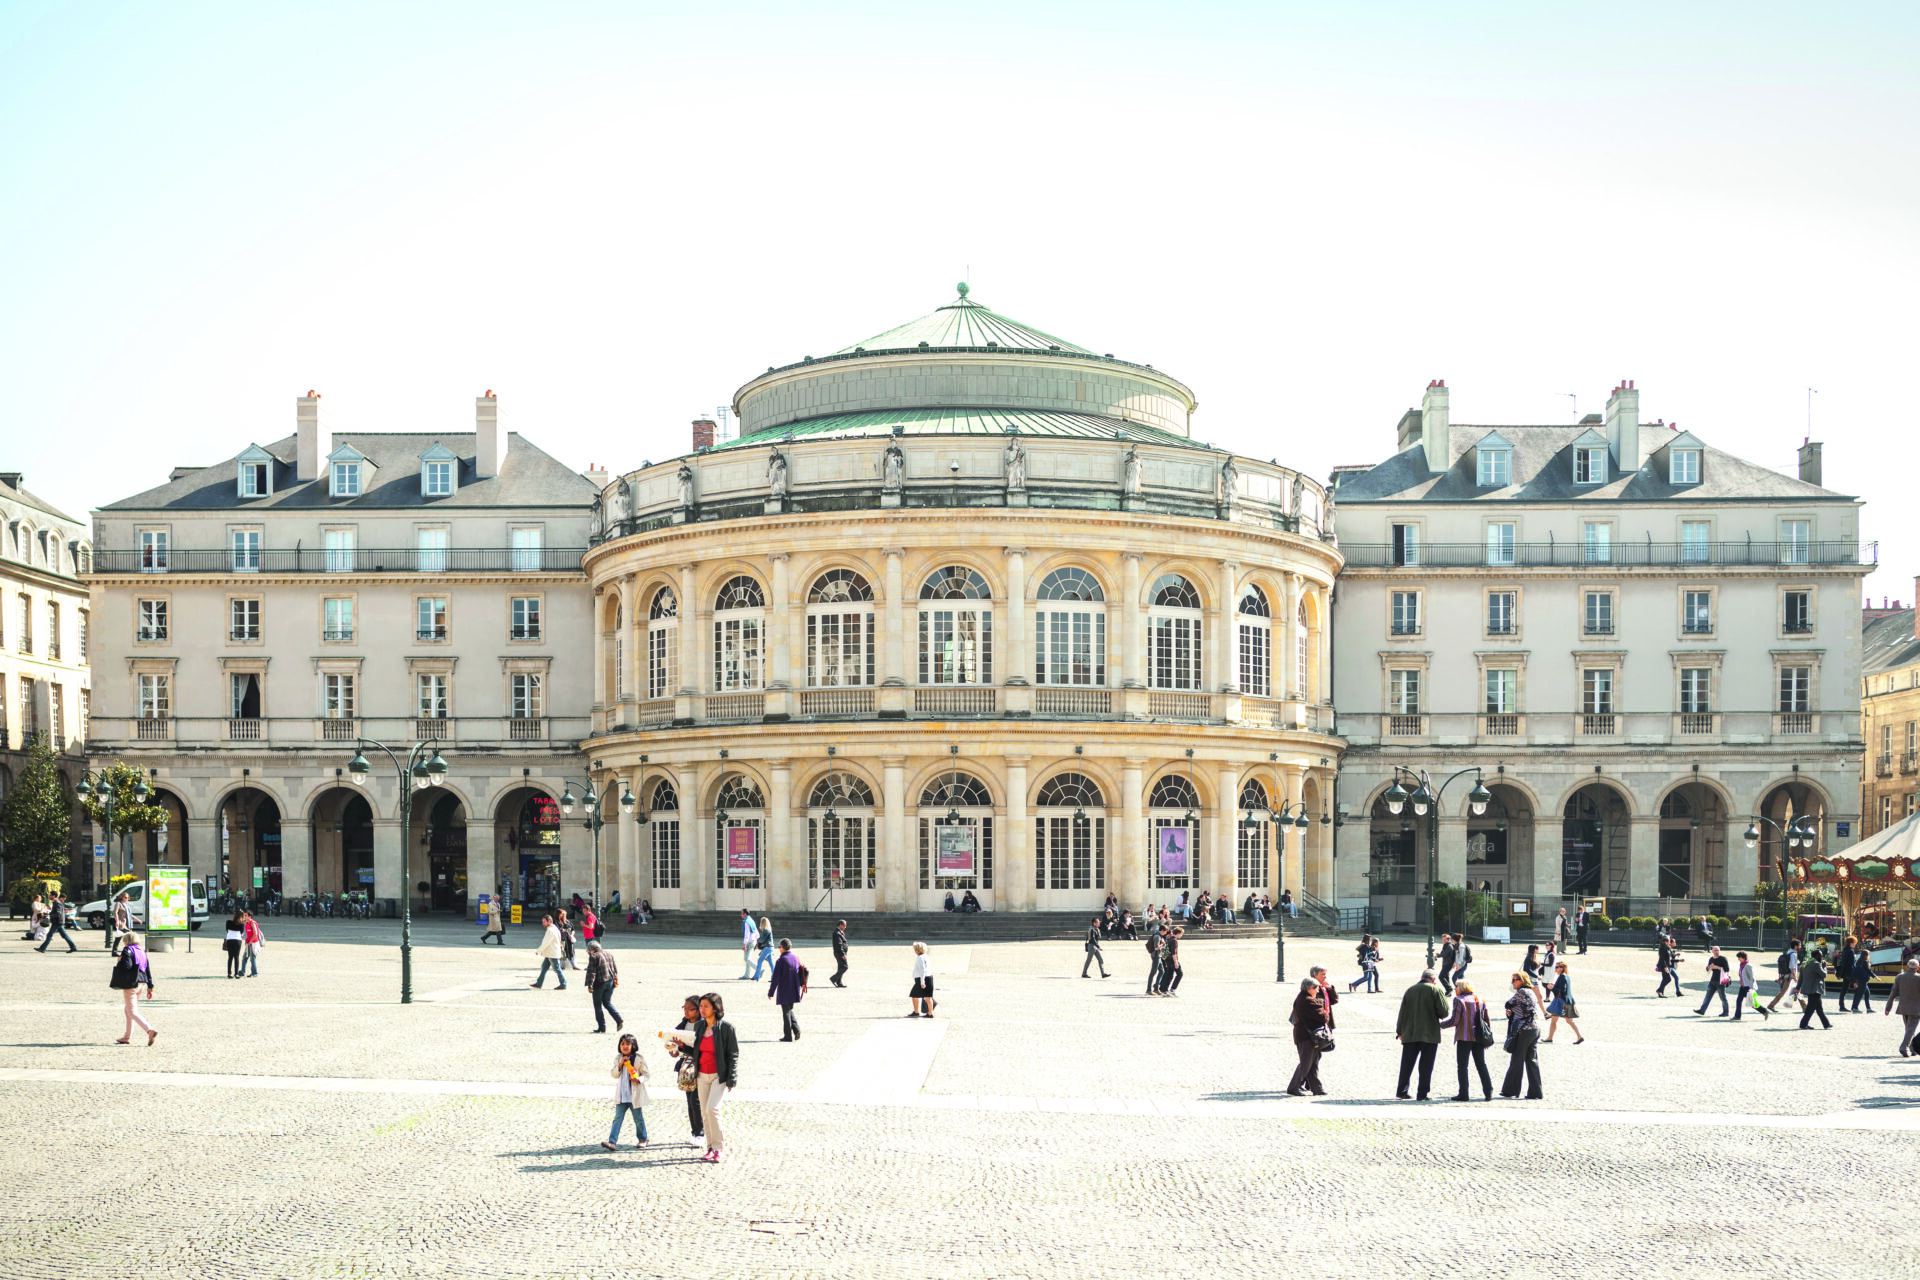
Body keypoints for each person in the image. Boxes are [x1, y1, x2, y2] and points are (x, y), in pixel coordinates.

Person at [691, 993, 736, 1163]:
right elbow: (695, 1051)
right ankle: (710, 1147)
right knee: (704, 1112)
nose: (702, 1009)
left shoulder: (726, 1028)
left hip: (719, 1075)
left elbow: (733, 1054)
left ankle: (718, 1148)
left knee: (712, 1109)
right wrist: (678, 1047)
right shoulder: (699, 1027)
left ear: (715, 1008)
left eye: (705, 1006)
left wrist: (732, 1078)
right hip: (702, 1075)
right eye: (701, 1006)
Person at [1394, 969, 1450, 1101]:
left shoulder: (1410, 990)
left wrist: (1399, 1031)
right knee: (1426, 1066)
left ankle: (1402, 1091)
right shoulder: (1436, 990)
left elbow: (1402, 1012)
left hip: (1410, 1033)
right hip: (1429, 1034)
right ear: (1434, 979)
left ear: (1421, 977)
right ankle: (1422, 1093)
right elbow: (1444, 1012)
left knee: (1406, 1064)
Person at [1439, 978, 1494, 1101]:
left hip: (1464, 1037)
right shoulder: (1480, 1000)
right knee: (1481, 1064)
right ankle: (1488, 1091)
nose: (1455, 989)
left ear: (1462, 988)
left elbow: (1455, 1020)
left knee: (1463, 1066)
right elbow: (1486, 1019)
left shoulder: (1459, 1000)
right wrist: (1487, 1038)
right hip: (1479, 1037)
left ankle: (1464, 1093)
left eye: (1456, 986)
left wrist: (1440, 1025)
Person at [664, 996, 705, 1147]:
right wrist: (673, 1050)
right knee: (689, 1099)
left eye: (690, 1009)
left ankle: (700, 1133)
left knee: (696, 1099)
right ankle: (695, 1132)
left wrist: (682, 1047)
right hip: (685, 1065)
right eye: (685, 1008)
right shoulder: (683, 1023)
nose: (686, 1011)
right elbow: (675, 1042)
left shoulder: (703, 1025)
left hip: (700, 1065)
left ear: (698, 1010)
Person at [1500, 971, 1544, 1099]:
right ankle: (1536, 1092)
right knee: (1532, 1060)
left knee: (1517, 1060)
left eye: (1514, 980)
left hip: (1524, 1030)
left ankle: (1511, 1090)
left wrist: (1511, 1010)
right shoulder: (1531, 992)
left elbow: (1508, 1004)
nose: (1512, 983)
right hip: (1534, 1028)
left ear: (1522, 980)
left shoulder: (1522, 992)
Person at [602, 1032, 649, 1151]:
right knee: (617, 1118)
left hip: (634, 1095)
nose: (625, 1046)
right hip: (622, 1095)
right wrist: (620, 1064)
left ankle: (643, 1139)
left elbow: (646, 1074)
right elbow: (614, 1074)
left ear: (633, 1045)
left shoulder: (638, 1059)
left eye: (628, 1044)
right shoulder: (618, 1058)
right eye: (622, 1044)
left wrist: (638, 1079)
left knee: (638, 1118)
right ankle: (612, 1141)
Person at [110, 932, 157, 1046]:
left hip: (131, 983)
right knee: (128, 1010)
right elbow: (147, 969)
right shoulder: (142, 951)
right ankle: (127, 1037)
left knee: (132, 1011)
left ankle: (149, 1030)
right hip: (142, 982)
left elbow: (127, 966)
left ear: (126, 941)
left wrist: (119, 961)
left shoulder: (127, 950)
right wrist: (150, 986)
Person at [1287, 976, 1329, 1096]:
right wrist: (1325, 1013)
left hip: (1308, 1036)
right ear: (1310, 988)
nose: (1318, 991)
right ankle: (1293, 1087)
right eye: (1316, 988)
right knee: (1305, 1062)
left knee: (1313, 1062)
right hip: (1306, 1037)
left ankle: (1316, 1088)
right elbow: (1323, 1017)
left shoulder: (1304, 998)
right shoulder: (1307, 1000)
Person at [768, 938, 805, 1041]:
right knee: (789, 1010)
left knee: (786, 1013)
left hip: (785, 989)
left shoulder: (781, 961)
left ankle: (788, 1036)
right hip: (794, 988)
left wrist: (771, 992)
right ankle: (796, 1030)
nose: (779, 948)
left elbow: (775, 979)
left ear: (783, 948)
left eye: (779, 947)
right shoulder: (795, 958)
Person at [584, 940, 622, 1033]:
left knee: (597, 1005)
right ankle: (618, 1019)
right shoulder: (609, 954)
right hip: (611, 982)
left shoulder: (594, 957)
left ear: (592, 950)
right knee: (607, 1002)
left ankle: (602, 1027)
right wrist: (615, 979)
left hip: (600, 983)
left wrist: (590, 985)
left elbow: (592, 972)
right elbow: (615, 969)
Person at [1543, 962, 1584, 1043]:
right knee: (1560, 1020)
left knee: (1567, 1020)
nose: (1555, 968)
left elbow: (1563, 990)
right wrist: (1554, 986)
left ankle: (1579, 1036)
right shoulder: (1566, 976)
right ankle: (1550, 1037)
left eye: (1557, 967)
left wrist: (1552, 988)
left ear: (1562, 968)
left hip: (1562, 1002)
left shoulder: (1562, 977)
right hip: (1567, 1000)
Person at [1886, 958, 1920, 1056]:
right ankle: (1904, 1047)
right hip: (1916, 1008)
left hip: (1903, 1007)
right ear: (1918, 968)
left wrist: (1888, 1007)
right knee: (1911, 1028)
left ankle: (1913, 1049)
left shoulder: (1899, 977)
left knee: (1908, 1028)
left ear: (1907, 967)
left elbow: (1893, 993)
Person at [1797, 951, 1831, 1029]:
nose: (1822, 958)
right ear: (1816, 956)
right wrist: (1824, 967)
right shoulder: (1816, 964)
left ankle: (1826, 1024)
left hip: (1808, 988)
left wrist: (1797, 988)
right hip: (1815, 989)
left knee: (1819, 1008)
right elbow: (1824, 974)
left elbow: (1800, 978)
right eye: (1821, 956)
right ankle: (1803, 1024)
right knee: (1810, 1009)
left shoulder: (1805, 963)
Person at [531, 914, 567, 989]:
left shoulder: (551, 930)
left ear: (549, 921)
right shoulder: (554, 928)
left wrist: (539, 950)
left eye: (544, 922)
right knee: (544, 967)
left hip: (552, 953)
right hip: (550, 953)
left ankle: (563, 983)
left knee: (557, 968)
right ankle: (539, 983)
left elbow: (546, 942)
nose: (543, 923)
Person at [1767, 938, 1800, 1013]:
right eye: (1799, 945)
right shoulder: (1793, 954)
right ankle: (1771, 1005)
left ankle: (1805, 1008)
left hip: (1787, 975)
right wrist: (1795, 976)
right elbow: (1792, 966)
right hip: (1790, 976)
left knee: (1796, 990)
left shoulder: (1788, 952)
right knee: (1784, 991)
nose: (1800, 947)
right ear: (1795, 946)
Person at [1696, 946, 1731, 1016]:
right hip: (1713, 980)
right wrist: (1708, 967)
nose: (1716, 951)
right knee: (1707, 997)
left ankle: (1726, 1012)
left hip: (1720, 981)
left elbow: (1727, 969)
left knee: (1723, 997)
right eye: (1715, 950)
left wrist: (1718, 967)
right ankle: (1702, 1010)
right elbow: (1708, 968)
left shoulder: (1723, 959)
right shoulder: (1711, 959)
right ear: (1712, 951)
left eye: (1717, 950)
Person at [1731, 951, 1766, 1022]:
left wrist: (1751, 987)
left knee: (1752, 1003)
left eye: (1739, 957)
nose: (1738, 959)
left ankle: (1764, 1011)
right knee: (1738, 1001)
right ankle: (1737, 1016)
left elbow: (1751, 977)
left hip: (1748, 987)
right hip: (1743, 986)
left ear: (1743, 957)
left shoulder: (1748, 965)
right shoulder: (1742, 964)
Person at [908, 942, 935, 1017]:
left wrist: (922, 982)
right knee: (928, 996)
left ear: (917, 950)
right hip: (928, 977)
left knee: (914, 995)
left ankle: (916, 1011)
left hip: (922, 979)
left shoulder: (920, 958)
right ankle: (930, 1013)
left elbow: (922, 970)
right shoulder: (926, 956)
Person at [1157, 928, 1184, 996]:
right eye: (1181, 934)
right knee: (1180, 974)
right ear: (1178, 933)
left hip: (1167, 960)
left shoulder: (1169, 939)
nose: (1181, 935)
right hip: (1172, 960)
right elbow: (1173, 952)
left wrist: (1166, 961)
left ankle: (1164, 990)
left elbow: (1165, 951)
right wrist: (1176, 962)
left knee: (1169, 975)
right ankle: (1173, 989)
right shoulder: (1174, 940)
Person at [1848, 946, 1875, 1013]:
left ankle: (1867, 1008)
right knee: (1860, 994)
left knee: (1865, 994)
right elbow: (1868, 971)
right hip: (1863, 981)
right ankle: (1855, 1008)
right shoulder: (1865, 962)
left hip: (1858, 980)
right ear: (1866, 955)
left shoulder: (1858, 961)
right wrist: (1875, 977)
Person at [222, 910, 244, 977]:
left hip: (230, 939)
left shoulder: (228, 922)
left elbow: (227, 930)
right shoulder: (241, 924)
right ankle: (236, 973)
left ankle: (229, 973)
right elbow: (241, 933)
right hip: (237, 940)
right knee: (236, 957)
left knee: (230, 957)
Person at [241, 911, 263, 978]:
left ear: (250, 916)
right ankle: (242, 971)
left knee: (252, 958)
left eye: (246, 915)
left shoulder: (252, 923)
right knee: (244, 957)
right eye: (244, 915)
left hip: (253, 943)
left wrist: (251, 941)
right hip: (248, 943)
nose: (244, 917)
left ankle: (254, 972)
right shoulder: (246, 923)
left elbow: (255, 933)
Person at [830, 920, 850, 988]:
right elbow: (839, 945)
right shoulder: (837, 933)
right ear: (840, 925)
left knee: (841, 967)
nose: (845, 927)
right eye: (844, 925)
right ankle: (833, 978)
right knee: (845, 967)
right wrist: (843, 954)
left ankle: (839, 982)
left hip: (839, 953)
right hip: (839, 953)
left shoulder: (839, 932)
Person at [738, 908, 757, 978]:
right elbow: (756, 931)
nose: (741, 915)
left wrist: (744, 944)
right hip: (753, 941)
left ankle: (758, 969)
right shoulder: (751, 920)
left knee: (747, 959)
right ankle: (747, 974)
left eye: (741, 913)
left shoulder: (746, 922)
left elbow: (747, 934)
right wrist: (756, 940)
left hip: (749, 942)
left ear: (745, 914)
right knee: (748, 958)